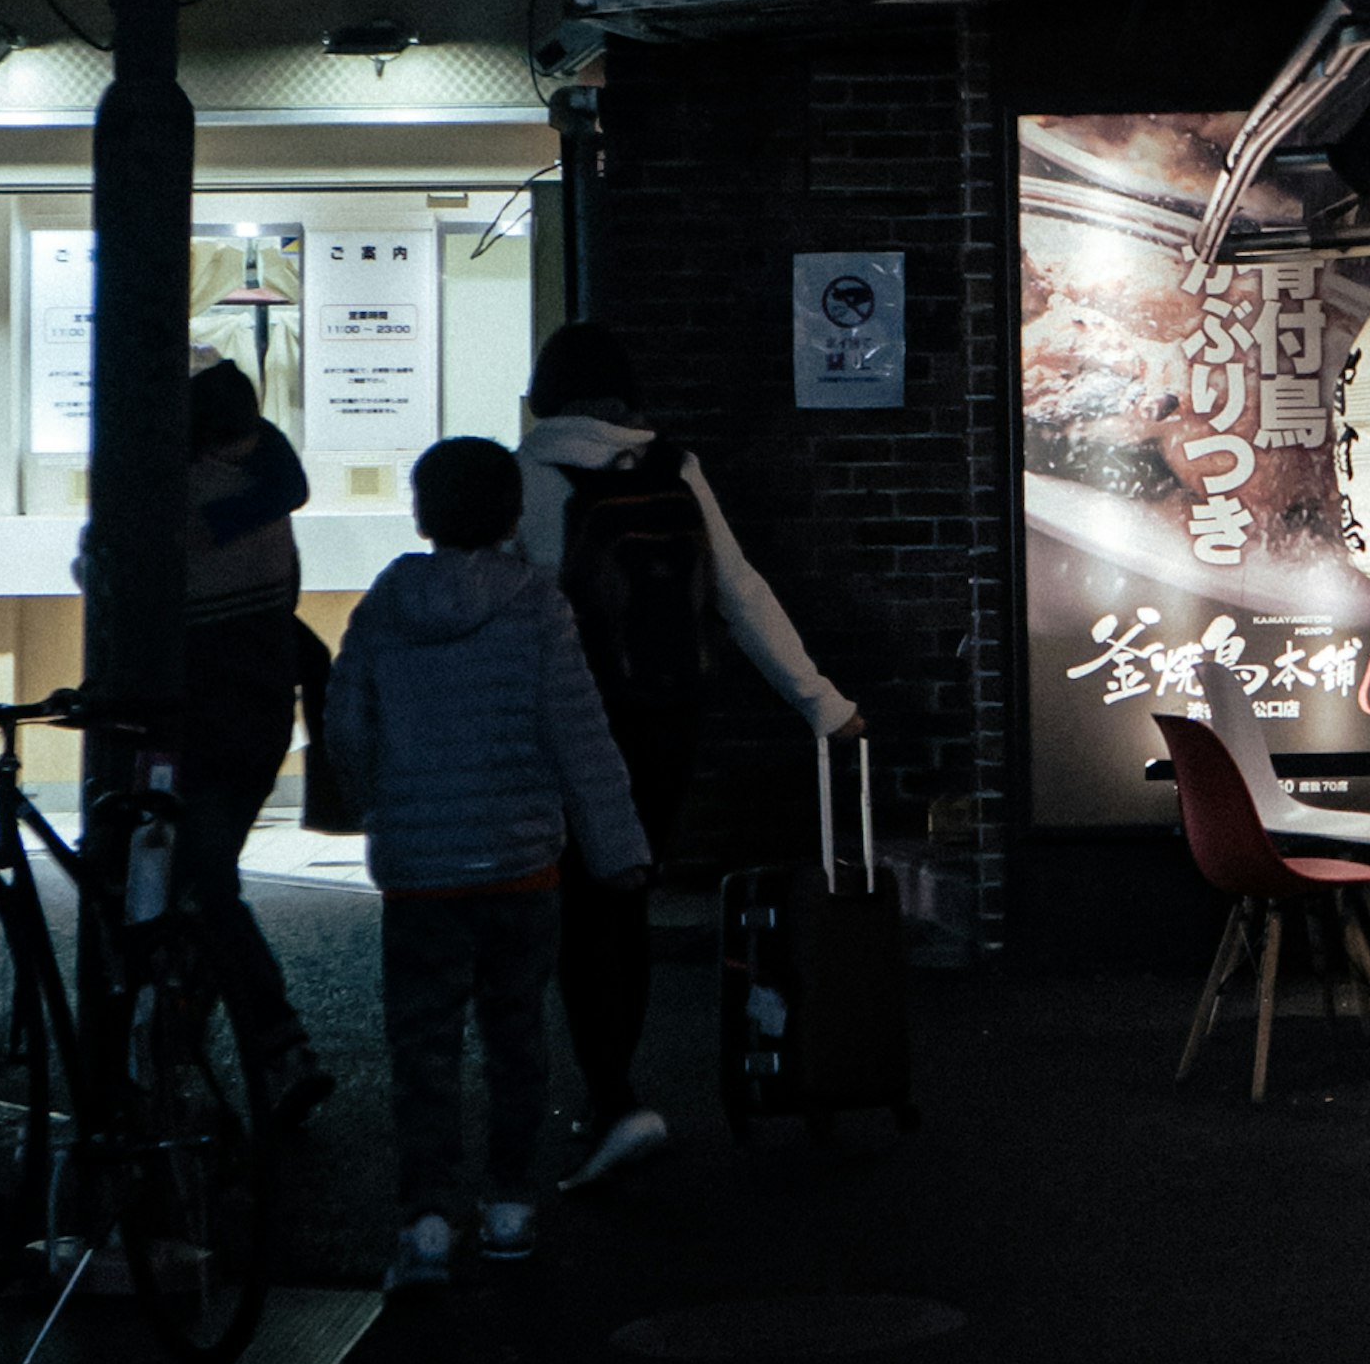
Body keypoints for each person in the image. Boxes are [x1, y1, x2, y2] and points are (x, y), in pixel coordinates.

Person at [516, 322, 861, 1187]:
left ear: (546, 390)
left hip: (568, 719)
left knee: (573, 905)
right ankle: (611, 1090)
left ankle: (608, 1093)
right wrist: (823, 703)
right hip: (666, 714)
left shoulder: (525, 473)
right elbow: (740, 592)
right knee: (626, 894)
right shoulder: (673, 467)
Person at [323, 436, 649, 1290]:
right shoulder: (537, 606)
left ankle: (429, 1221)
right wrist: (618, 849)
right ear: (512, 514)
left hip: (421, 873)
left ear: (422, 510)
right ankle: (510, 1205)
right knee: (515, 1035)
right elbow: (580, 736)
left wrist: (371, 805)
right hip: (520, 865)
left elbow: (347, 724)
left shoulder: (385, 603)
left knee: (423, 1044)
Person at [175, 358, 332, 1136]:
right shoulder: (270, 478)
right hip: (265, 710)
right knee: (204, 883)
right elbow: (288, 473)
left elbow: (103, 569)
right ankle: (183, 1049)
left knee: (202, 887)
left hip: (195, 716)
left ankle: (275, 1045)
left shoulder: (185, 496)